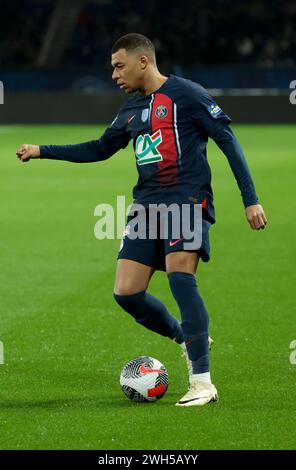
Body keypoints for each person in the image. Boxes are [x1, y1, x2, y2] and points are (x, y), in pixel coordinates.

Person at [16, 33, 267, 407]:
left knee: (182, 279)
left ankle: (203, 384)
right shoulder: (130, 110)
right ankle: (185, 337)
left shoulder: (187, 94)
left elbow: (228, 141)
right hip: (146, 207)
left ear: (143, 61)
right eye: (112, 67)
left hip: (187, 199)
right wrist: (42, 151)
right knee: (127, 292)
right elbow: (99, 149)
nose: (114, 74)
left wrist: (251, 200)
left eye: (119, 65)